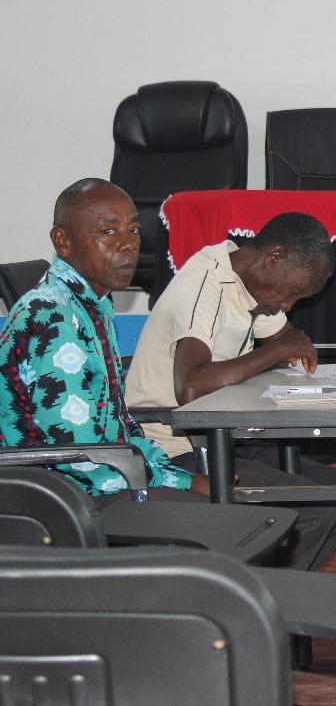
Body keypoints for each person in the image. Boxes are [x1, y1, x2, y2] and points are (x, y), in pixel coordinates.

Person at [126, 211, 336, 569]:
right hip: (171, 449)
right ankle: (261, 609)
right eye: (293, 292)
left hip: (222, 437)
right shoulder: (206, 284)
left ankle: (276, 596)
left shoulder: (255, 285)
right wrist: (276, 351)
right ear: (274, 257)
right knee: (313, 510)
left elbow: (286, 340)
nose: (288, 305)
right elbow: (191, 387)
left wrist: (287, 347)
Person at [1, 179, 208, 502]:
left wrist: (165, 469)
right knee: (255, 512)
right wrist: (177, 481)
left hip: (105, 473)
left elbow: (116, 420)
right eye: (108, 232)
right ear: (62, 242)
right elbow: (76, 450)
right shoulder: (53, 317)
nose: (128, 245)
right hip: (66, 493)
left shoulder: (93, 305)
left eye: (134, 230)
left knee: (247, 490)